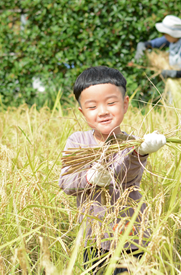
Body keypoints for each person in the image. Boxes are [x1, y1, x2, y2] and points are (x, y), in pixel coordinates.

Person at [59, 66, 166, 274]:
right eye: (92, 106)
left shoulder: (132, 144)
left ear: (125, 104)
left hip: (131, 236)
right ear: (82, 111)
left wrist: (140, 152)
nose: (103, 111)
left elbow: (129, 177)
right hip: (95, 238)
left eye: (111, 103)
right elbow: (66, 182)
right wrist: (89, 178)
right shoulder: (78, 141)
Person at [135, 15, 181, 79]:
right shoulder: (171, 39)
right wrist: (142, 45)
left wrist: (172, 73)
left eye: (165, 33)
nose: (164, 35)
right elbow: (153, 44)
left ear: (173, 34)